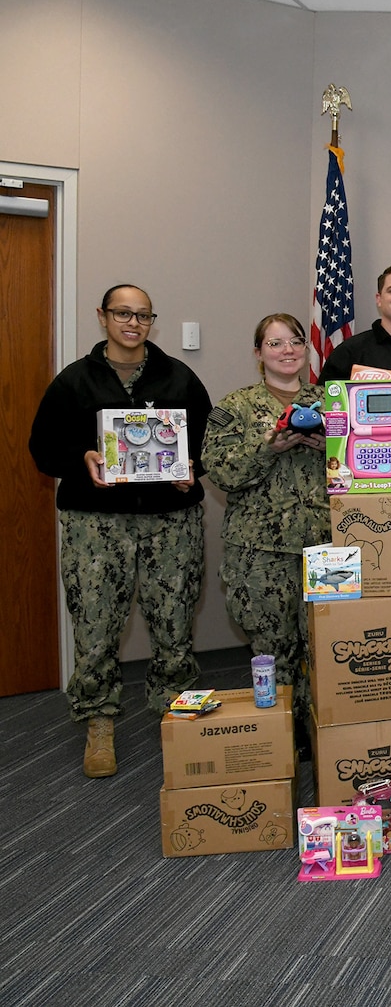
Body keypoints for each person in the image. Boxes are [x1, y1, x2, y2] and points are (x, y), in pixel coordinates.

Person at [28, 284, 212, 777]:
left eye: (143, 315)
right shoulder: (74, 381)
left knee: (174, 622)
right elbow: (42, 448)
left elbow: (208, 443)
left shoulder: (179, 377)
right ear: (103, 316)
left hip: (170, 522)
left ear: (152, 321)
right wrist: (82, 457)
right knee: (95, 624)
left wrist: (192, 470)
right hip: (96, 524)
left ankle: (177, 712)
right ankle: (98, 720)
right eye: (123, 314)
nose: (133, 323)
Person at [201, 314, 329, 729]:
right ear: (258, 353)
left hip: (325, 547)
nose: (287, 350)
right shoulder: (234, 407)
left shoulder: (332, 404)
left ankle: (318, 734)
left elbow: (366, 464)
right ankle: (278, 735)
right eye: (275, 343)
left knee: (326, 647)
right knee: (273, 650)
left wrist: (330, 446)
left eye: (295, 341)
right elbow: (220, 472)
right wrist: (268, 447)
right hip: (260, 553)